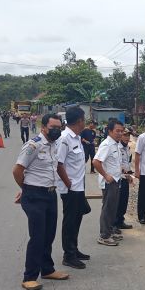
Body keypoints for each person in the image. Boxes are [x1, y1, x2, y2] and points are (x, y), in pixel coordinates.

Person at [12, 113, 69, 290]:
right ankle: (29, 276)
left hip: (51, 194)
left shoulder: (53, 145)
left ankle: (47, 269)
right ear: (43, 127)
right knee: (37, 236)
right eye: (53, 127)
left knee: (49, 234)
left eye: (59, 127)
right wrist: (26, 189)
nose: (56, 130)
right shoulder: (33, 145)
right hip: (35, 195)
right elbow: (17, 170)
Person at [56, 107, 90, 270]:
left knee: (77, 219)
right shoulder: (64, 139)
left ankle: (74, 249)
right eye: (84, 119)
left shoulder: (76, 137)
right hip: (70, 189)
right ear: (79, 121)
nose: (85, 121)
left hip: (78, 186)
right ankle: (68, 255)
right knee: (70, 221)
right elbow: (59, 164)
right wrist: (68, 184)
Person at [93, 120, 125, 246]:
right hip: (109, 183)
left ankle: (110, 231)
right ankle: (104, 236)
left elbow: (114, 164)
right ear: (110, 131)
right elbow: (96, 162)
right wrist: (106, 176)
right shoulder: (106, 144)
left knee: (113, 208)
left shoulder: (116, 144)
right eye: (117, 131)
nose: (120, 133)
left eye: (121, 131)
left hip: (116, 181)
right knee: (107, 209)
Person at [114, 128, 134, 232]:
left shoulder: (128, 148)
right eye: (125, 135)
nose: (127, 137)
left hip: (125, 177)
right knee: (117, 202)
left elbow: (127, 163)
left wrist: (129, 175)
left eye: (128, 135)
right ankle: (115, 224)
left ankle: (121, 221)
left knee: (124, 201)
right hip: (118, 178)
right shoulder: (117, 147)